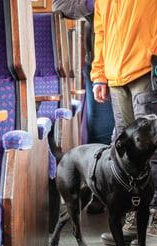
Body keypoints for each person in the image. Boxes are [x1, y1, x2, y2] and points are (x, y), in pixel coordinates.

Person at [92, 0, 157, 246]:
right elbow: (101, 28)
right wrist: (99, 73)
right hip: (115, 73)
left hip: (147, 66)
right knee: (127, 153)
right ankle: (137, 214)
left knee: (156, 148)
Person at [52, 0, 115, 145]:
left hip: (144, 64)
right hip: (101, 65)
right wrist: (90, 4)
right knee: (101, 135)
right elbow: (59, 5)